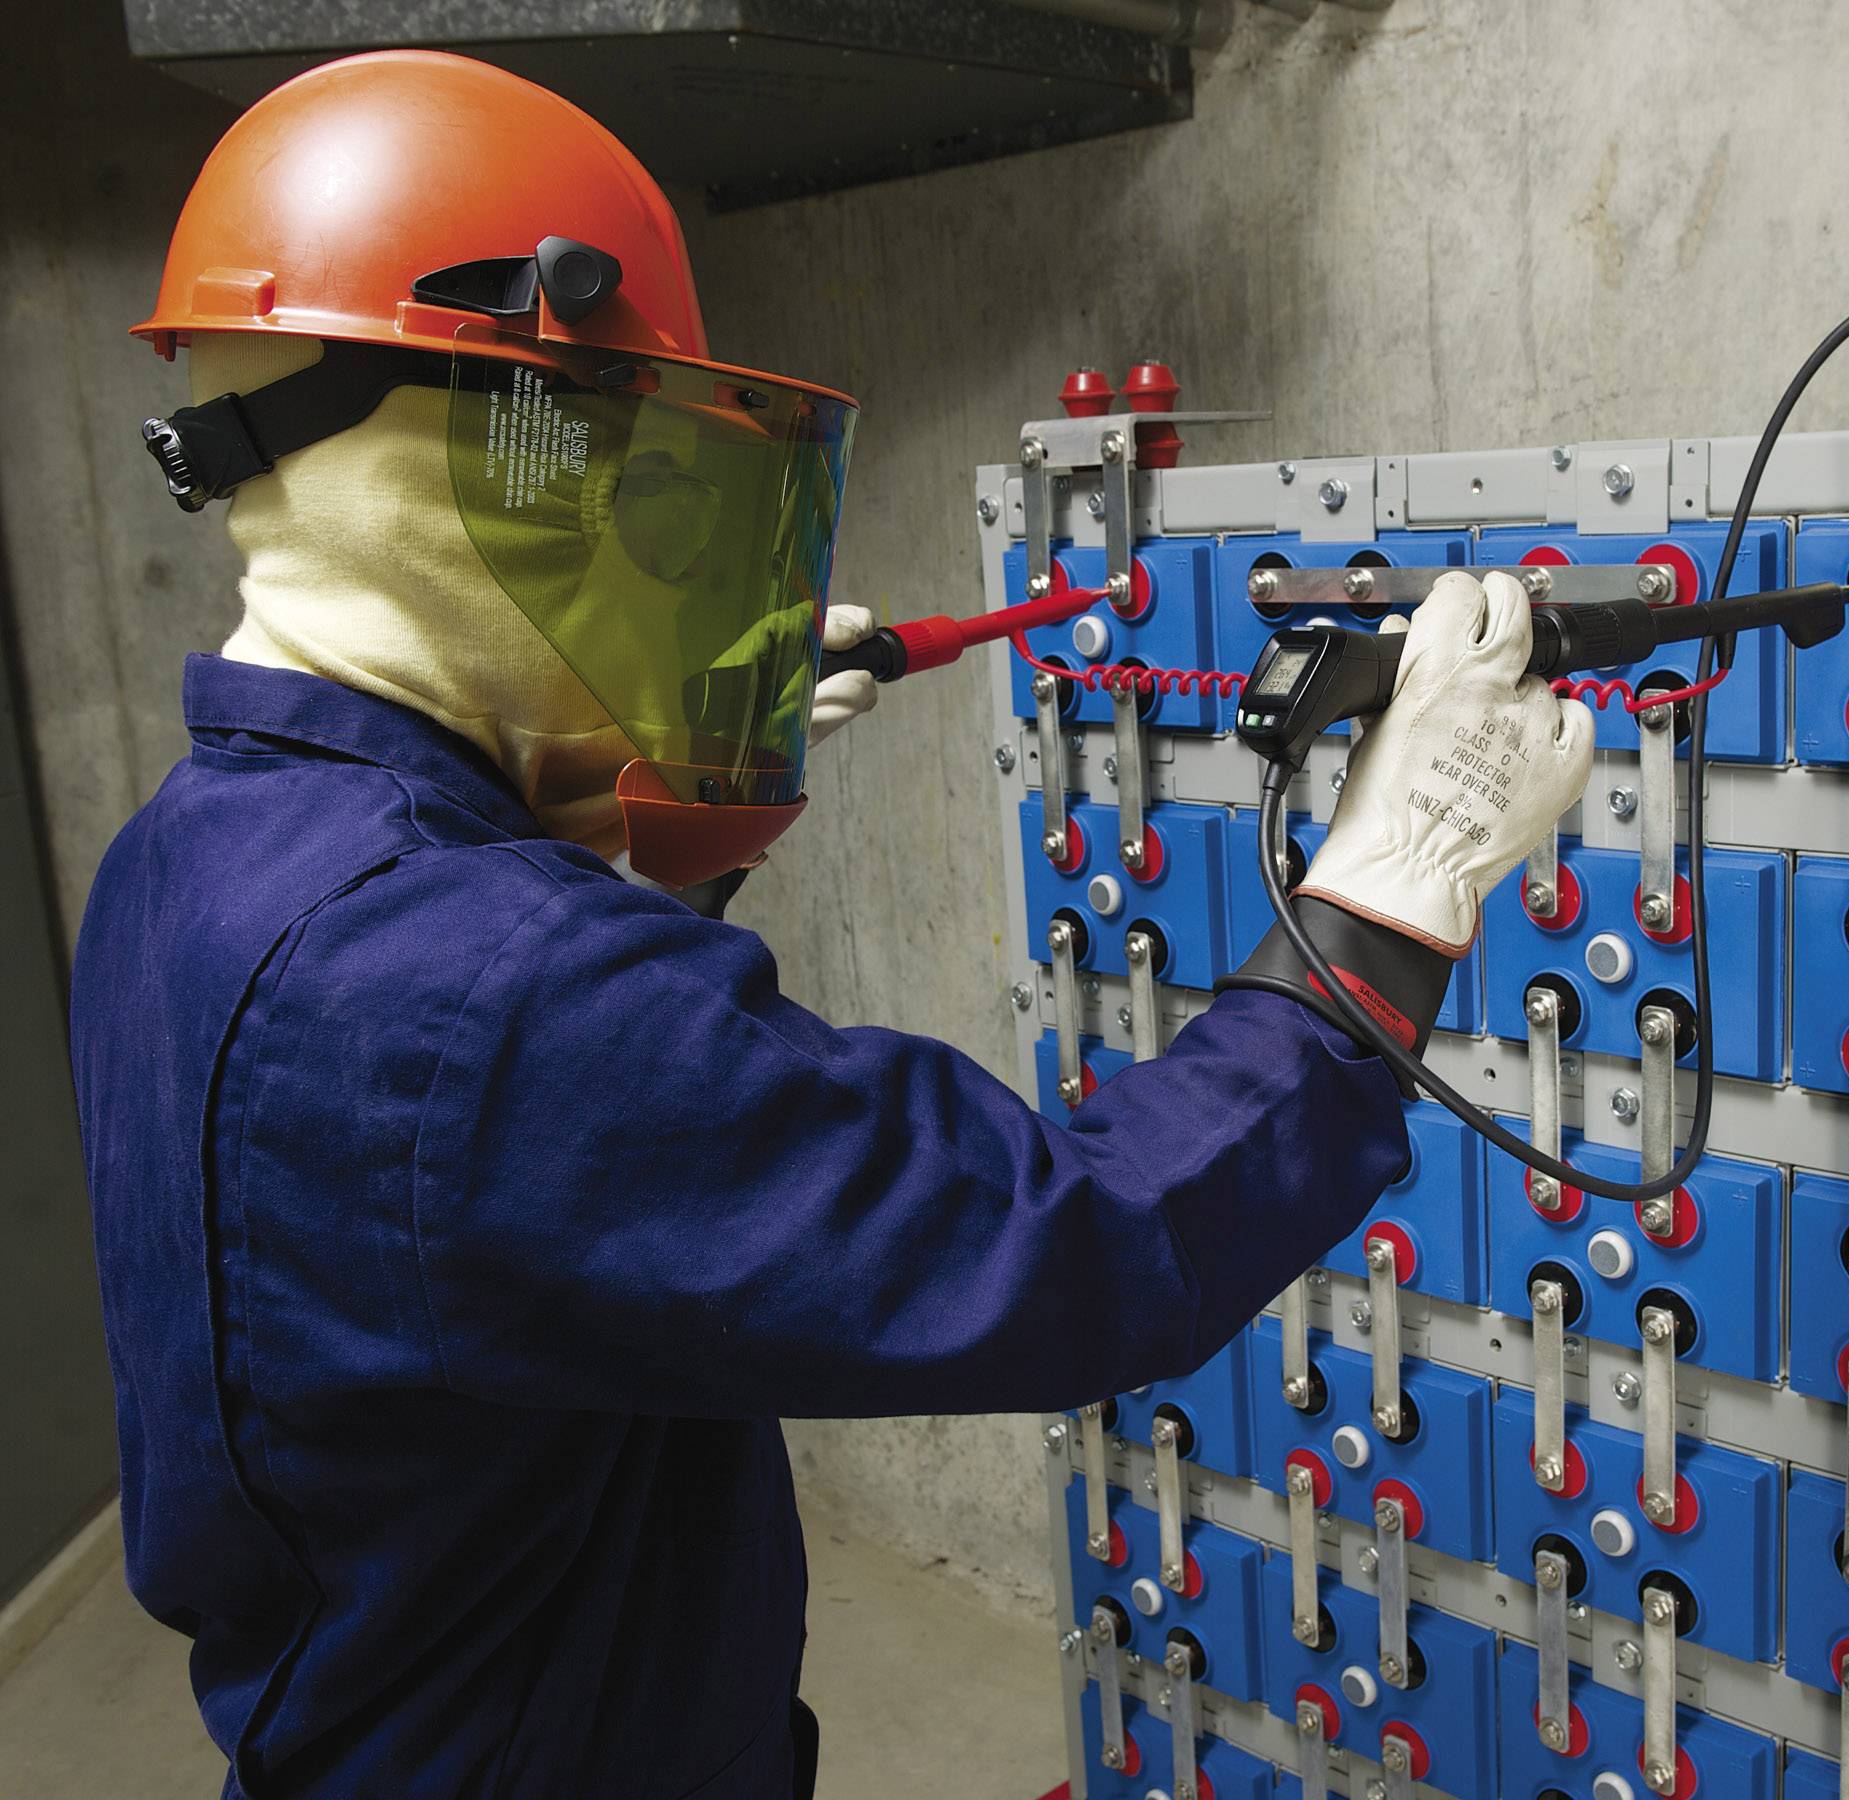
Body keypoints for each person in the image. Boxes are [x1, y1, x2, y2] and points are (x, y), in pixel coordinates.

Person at [71, 48, 1594, 1800]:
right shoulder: (477, 992)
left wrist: (656, 850)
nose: (635, 537)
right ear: (501, 455)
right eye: (615, 466)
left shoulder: (189, 856)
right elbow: (1069, 1253)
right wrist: (1393, 899)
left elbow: (458, 1193)